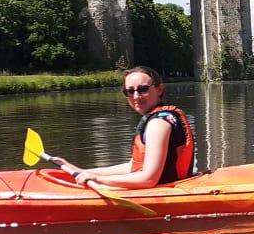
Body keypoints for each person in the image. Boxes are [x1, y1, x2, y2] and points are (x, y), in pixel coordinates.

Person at [59, 66, 195, 188]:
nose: (136, 96)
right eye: (129, 91)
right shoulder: (162, 118)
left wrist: (98, 179)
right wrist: (83, 171)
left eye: (143, 89)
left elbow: (148, 179)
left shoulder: (158, 124)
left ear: (159, 89)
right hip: (165, 185)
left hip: (163, 191)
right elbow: (134, 166)